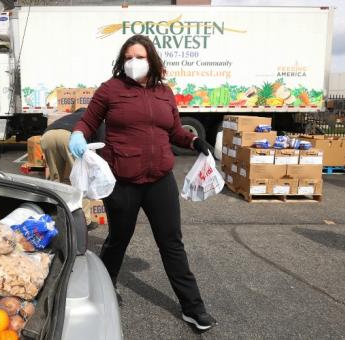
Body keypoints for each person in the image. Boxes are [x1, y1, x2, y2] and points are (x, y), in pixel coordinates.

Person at [69, 35, 216, 331]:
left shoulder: (164, 92)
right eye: (128, 57)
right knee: (118, 239)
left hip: (160, 179)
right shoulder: (111, 90)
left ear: (152, 59)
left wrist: (195, 140)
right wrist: (78, 134)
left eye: (140, 56)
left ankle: (193, 308)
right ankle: (104, 291)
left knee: (171, 242)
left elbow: (174, 130)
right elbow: (88, 120)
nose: (134, 62)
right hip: (123, 180)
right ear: (122, 61)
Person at [40, 108, 104, 183]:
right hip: (69, 137)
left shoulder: (69, 116)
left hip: (47, 136)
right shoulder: (95, 119)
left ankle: (55, 192)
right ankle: (80, 193)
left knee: (55, 176)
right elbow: (101, 142)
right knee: (79, 176)